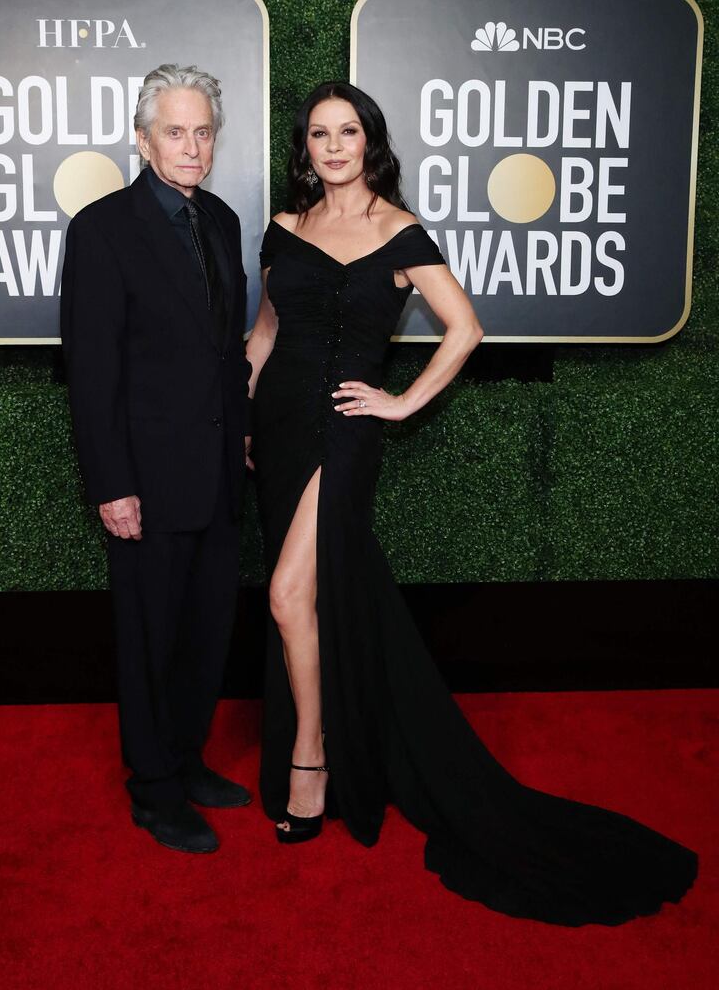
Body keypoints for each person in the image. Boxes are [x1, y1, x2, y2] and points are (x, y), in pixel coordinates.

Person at [245, 80, 697, 924]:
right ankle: (333, 730)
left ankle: (313, 756)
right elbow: (267, 331)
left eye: (349, 132)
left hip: (343, 429)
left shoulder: (400, 231)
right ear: (303, 147)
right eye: (319, 133)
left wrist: (401, 401)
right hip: (274, 428)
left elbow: (466, 327)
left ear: (369, 142)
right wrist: (245, 411)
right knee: (310, 596)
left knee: (285, 593)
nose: (333, 146)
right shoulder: (286, 228)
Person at [60, 64, 253, 854]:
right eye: (175, 131)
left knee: (207, 630)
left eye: (203, 131)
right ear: (142, 139)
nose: (192, 146)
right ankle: (153, 787)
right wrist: (112, 484)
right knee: (148, 637)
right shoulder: (104, 228)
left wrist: (239, 433)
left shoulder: (224, 221)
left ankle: (186, 758)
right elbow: (91, 368)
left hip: (217, 472)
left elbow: (223, 350)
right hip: (144, 478)